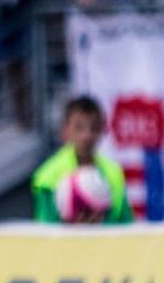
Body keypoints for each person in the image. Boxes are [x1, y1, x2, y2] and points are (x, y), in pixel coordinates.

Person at [32, 95, 134, 224]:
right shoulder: (47, 176)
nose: (87, 135)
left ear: (103, 129)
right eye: (79, 127)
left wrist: (100, 227)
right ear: (65, 130)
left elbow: (126, 225)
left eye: (94, 127)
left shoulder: (114, 172)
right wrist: (74, 230)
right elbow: (45, 229)